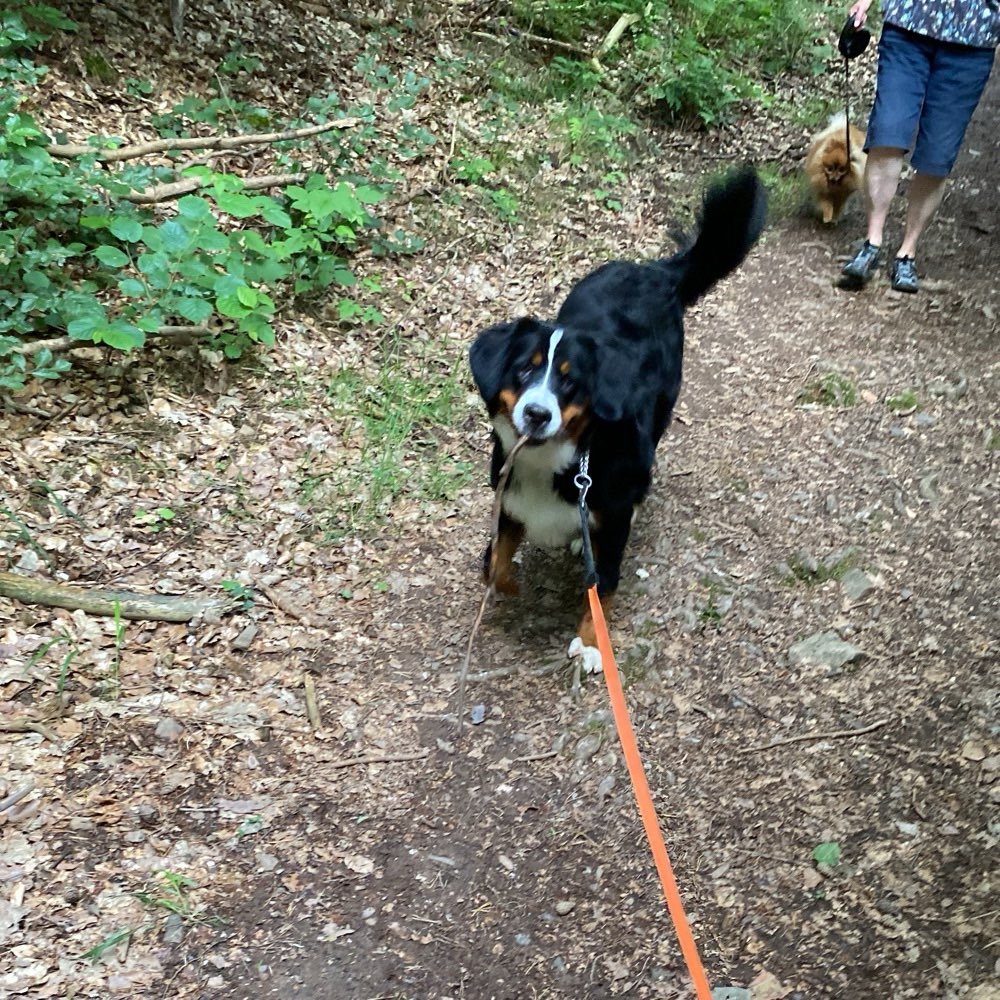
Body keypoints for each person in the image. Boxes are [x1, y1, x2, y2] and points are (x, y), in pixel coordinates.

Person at [839, 0, 1000, 293]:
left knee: (937, 155)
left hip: (973, 42)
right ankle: (871, 243)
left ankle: (907, 253)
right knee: (888, 131)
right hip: (907, 26)